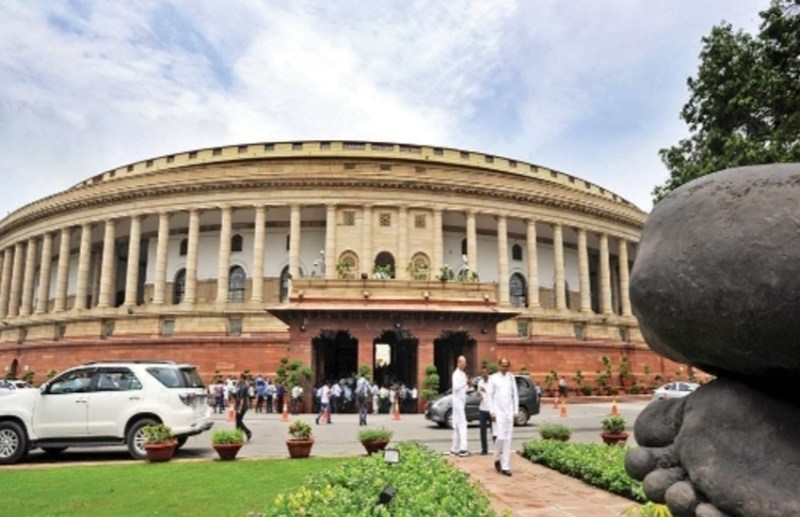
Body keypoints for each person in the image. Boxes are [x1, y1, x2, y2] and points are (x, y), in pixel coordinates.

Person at [488, 357, 518, 476]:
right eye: (502, 365)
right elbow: (490, 396)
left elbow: (515, 395)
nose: (504, 367)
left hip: (508, 413)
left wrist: (515, 411)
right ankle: (496, 458)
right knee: (500, 437)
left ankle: (505, 466)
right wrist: (492, 412)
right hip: (498, 413)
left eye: (506, 365)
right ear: (499, 365)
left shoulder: (511, 378)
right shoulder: (493, 378)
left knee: (507, 439)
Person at [450, 355, 469, 457]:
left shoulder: (463, 374)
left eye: (465, 363)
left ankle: (454, 448)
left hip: (461, 402)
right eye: (463, 362)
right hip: (457, 403)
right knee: (462, 425)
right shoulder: (456, 374)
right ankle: (463, 448)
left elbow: (464, 389)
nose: (465, 364)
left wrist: (467, 385)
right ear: (459, 363)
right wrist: (464, 383)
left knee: (457, 426)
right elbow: (456, 387)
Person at [477, 366, 491, 455]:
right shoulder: (480, 382)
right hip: (482, 408)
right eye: (482, 373)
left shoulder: (492, 382)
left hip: (491, 409)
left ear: (488, 373)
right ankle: (484, 449)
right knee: (482, 431)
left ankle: (498, 447)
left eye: (485, 373)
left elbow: (493, 395)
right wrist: (479, 395)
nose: (484, 375)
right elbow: (479, 397)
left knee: (495, 430)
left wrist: (486, 390)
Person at [235, 373, 253, 442]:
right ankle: (244, 434)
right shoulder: (241, 386)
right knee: (238, 420)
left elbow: (242, 398)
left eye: (239, 378)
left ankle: (246, 433)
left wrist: (240, 408)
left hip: (242, 405)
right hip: (241, 405)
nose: (238, 379)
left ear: (242, 378)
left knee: (238, 420)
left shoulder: (243, 387)